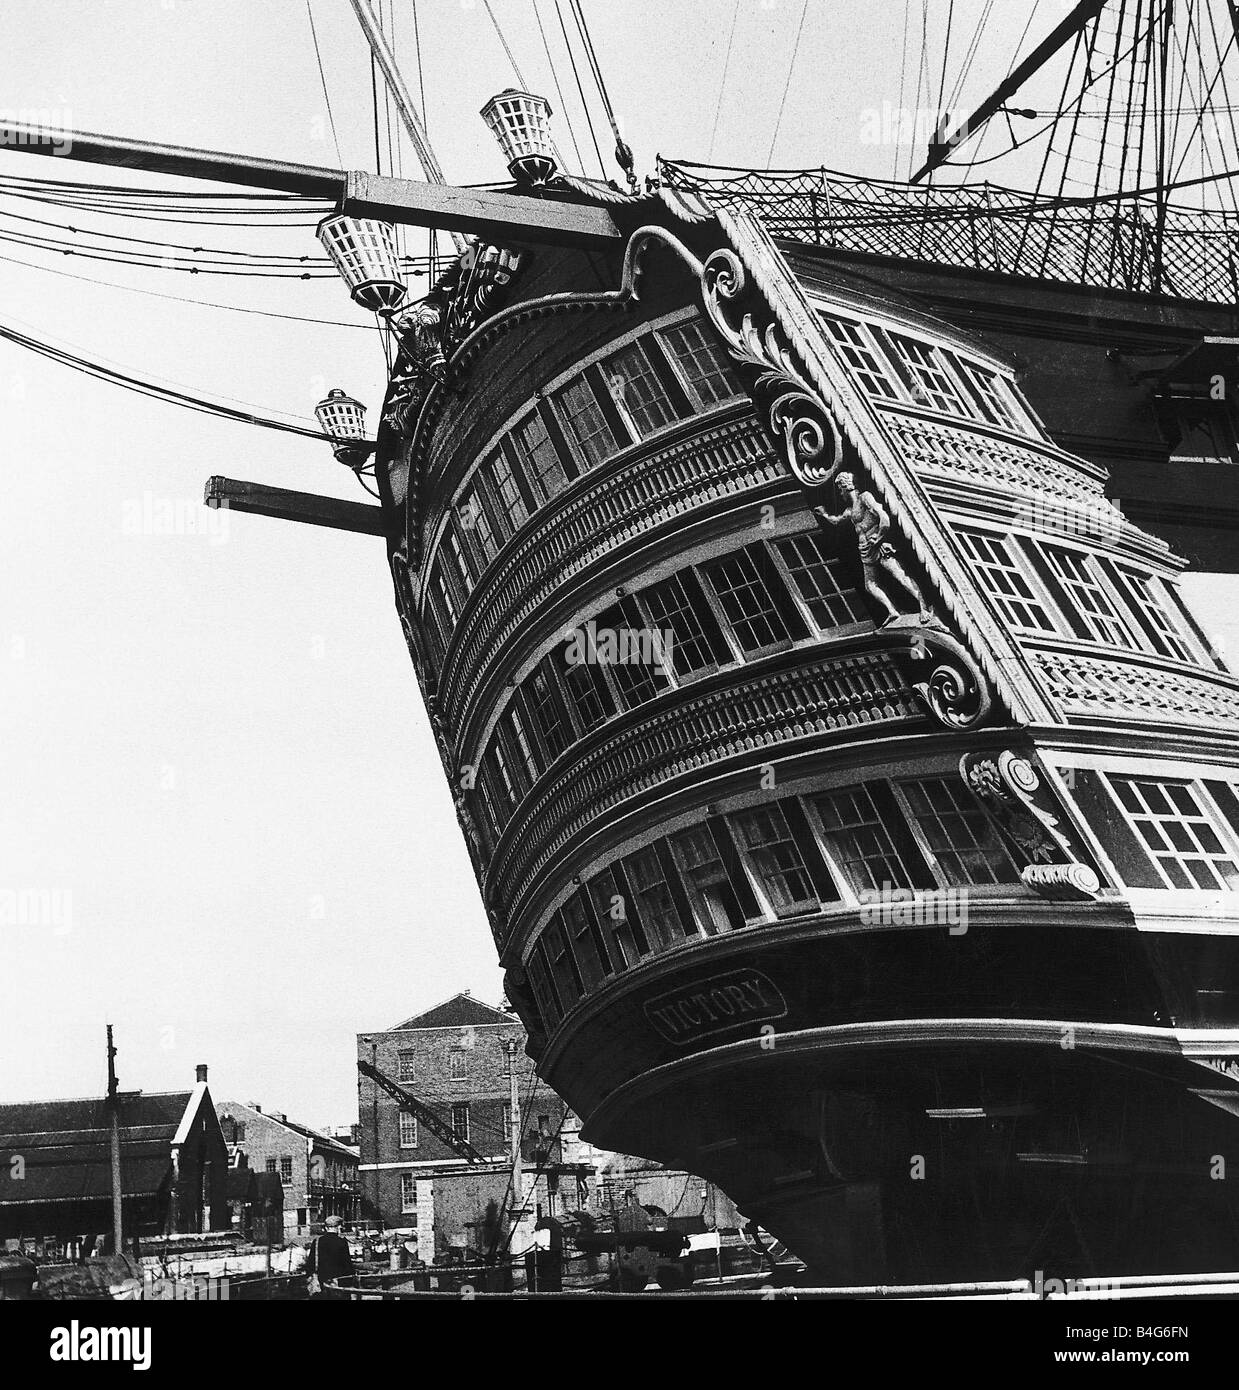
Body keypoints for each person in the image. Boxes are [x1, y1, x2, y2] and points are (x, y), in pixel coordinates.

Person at [815, 471, 932, 626]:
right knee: (870, 585)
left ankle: (923, 607)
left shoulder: (865, 497)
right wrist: (823, 514)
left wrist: (878, 537)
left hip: (878, 544)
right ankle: (892, 611)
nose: (840, 492)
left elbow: (884, 518)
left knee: (900, 575)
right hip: (865, 549)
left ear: (846, 485)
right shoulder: (849, 510)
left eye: (840, 488)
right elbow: (836, 521)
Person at [305, 1215, 354, 1300]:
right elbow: (347, 1266)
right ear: (338, 1227)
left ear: (326, 1228)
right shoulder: (342, 1242)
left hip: (320, 1285)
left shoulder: (316, 1242)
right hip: (337, 1285)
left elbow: (310, 1265)